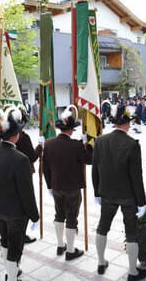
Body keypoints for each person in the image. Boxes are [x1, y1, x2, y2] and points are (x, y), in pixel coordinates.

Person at [0, 106, 39, 281]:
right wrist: (34, 216)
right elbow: (27, 193)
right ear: (15, 135)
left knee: (5, 241)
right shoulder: (20, 159)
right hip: (16, 213)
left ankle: (10, 271)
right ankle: (12, 277)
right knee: (15, 247)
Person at [92, 105, 146, 280]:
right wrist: (141, 202)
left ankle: (100, 262)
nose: (130, 125)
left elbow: (95, 171)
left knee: (102, 228)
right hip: (128, 196)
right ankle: (132, 271)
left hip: (107, 193)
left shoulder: (100, 141)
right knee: (131, 232)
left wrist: (97, 193)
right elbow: (136, 177)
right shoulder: (132, 144)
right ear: (126, 124)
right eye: (129, 122)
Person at [43, 105, 93, 261]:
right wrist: (88, 145)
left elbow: (45, 168)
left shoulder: (49, 143)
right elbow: (89, 160)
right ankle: (70, 251)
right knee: (71, 217)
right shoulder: (76, 145)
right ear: (70, 130)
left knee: (59, 214)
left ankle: (60, 245)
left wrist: (49, 186)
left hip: (56, 186)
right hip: (72, 188)